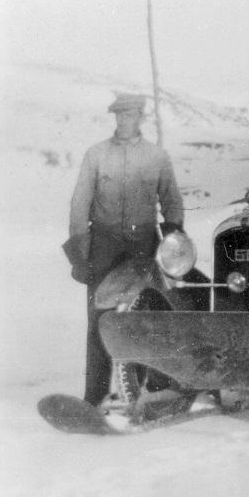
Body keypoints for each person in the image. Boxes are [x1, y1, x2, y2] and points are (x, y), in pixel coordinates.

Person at [64, 93, 185, 408]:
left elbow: (171, 199)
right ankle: (95, 395)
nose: (122, 121)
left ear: (140, 117)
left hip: (144, 245)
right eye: (118, 115)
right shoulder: (97, 155)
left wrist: (172, 235)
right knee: (101, 318)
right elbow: (80, 203)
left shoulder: (156, 156)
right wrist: (82, 252)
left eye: (129, 115)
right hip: (105, 244)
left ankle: (152, 388)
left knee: (149, 314)